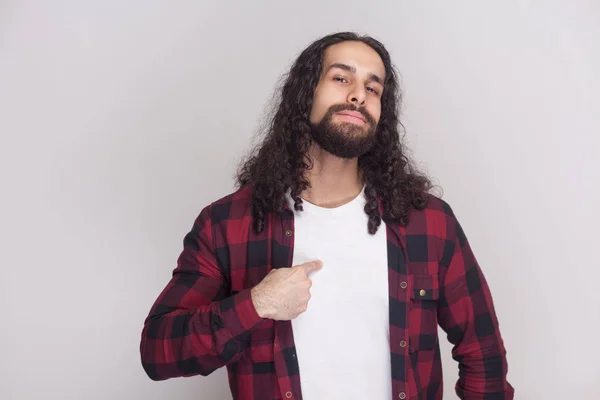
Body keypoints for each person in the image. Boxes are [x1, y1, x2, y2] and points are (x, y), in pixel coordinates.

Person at [139, 31, 514, 400]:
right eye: (341, 78)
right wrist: (256, 304)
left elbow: (483, 353)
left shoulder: (427, 221)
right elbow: (158, 351)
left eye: (373, 88)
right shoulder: (227, 223)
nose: (357, 95)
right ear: (306, 94)